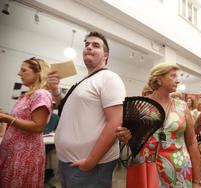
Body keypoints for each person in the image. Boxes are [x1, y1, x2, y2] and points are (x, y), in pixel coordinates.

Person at [47, 31, 126, 188]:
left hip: (90, 165)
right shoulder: (84, 81)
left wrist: (91, 161)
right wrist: (55, 91)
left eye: (95, 45)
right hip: (69, 162)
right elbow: (66, 109)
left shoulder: (109, 78)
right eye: (86, 44)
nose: (89, 47)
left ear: (105, 55)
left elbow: (116, 122)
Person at [116, 63, 201, 188]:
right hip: (146, 167)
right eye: (173, 76)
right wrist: (125, 136)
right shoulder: (140, 106)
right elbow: (133, 142)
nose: (178, 81)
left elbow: (192, 143)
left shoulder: (182, 107)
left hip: (178, 169)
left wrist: (197, 180)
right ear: (159, 79)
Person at [0, 57, 52, 188]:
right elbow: (22, 119)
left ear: (38, 73)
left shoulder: (42, 94)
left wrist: (7, 119)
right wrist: (6, 115)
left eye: (24, 70)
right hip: (13, 152)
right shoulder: (26, 95)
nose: (19, 73)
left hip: (24, 154)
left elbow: (38, 126)